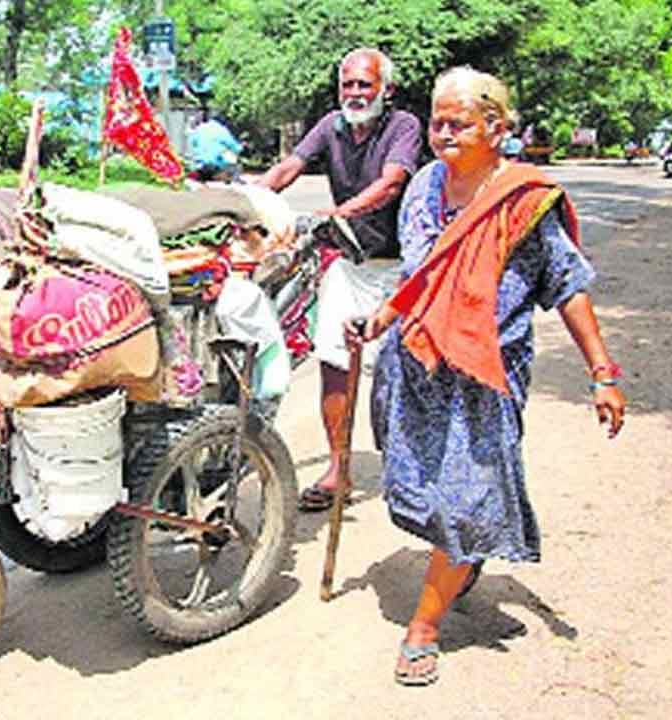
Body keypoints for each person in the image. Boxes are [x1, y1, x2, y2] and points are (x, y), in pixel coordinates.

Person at [345, 66, 626, 686]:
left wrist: (602, 373)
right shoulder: (422, 187)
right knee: (414, 488)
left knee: (465, 498)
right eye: (437, 122)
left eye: (458, 122)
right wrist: (379, 320)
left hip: (485, 377)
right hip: (417, 366)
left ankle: (423, 627)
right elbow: (420, 277)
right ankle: (461, 556)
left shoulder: (524, 201)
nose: (443, 133)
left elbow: (569, 288)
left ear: (496, 128)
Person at [254, 47, 422, 512]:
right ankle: (338, 468)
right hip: (351, 264)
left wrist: (336, 213)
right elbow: (292, 166)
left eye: (364, 84)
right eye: (347, 84)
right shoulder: (332, 125)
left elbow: (391, 183)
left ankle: (414, 470)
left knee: (403, 374)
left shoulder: (402, 126)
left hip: (401, 268)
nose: (354, 92)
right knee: (333, 361)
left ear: (385, 90)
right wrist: (248, 198)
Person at [187, 111, 243, 183]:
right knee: (233, 157)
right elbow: (236, 148)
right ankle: (233, 178)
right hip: (215, 169)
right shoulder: (222, 130)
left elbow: (193, 143)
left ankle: (203, 175)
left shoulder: (200, 128)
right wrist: (241, 146)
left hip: (200, 168)